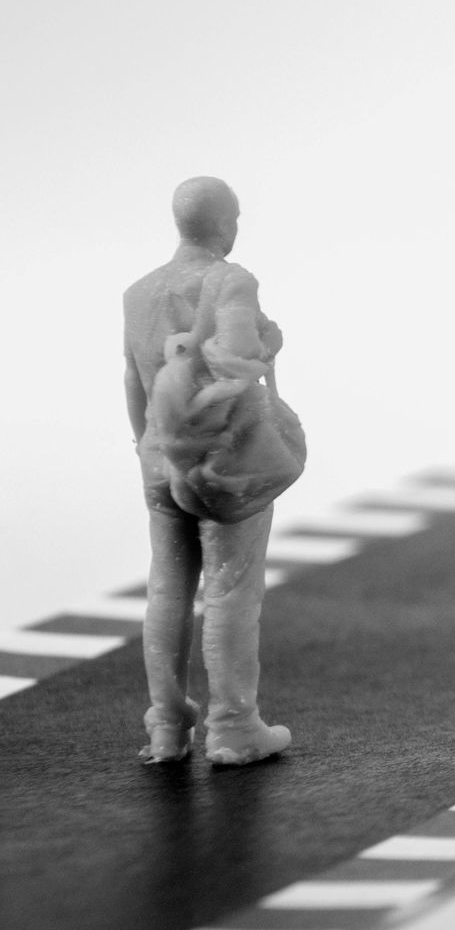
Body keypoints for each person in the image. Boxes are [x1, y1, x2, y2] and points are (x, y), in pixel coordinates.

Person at [123, 177, 305, 765]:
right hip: (221, 463)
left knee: (167, 587)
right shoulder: (231, 280)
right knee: (230, 588)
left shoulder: (139, 291)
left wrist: (148, 446)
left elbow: (131, 379)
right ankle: (233, 727)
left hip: (157, 455)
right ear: (226, 223)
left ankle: (167, 729)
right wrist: (267, 345)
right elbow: (236, 362)